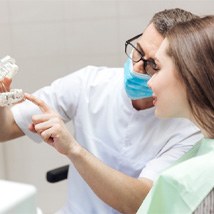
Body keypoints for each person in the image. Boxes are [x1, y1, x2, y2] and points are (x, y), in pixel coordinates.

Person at [0, 9, 202, 214]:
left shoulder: (188, 128)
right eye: (138, 51)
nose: (136, 68)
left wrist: (73, 149)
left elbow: (142, 203)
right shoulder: (90, 83)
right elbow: (5, 129)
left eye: (153, 65)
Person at [137, 15, 214, 214]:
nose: (149, 82)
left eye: (157, 67)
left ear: (190, 73)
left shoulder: (195, 185)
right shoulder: (203, 149)